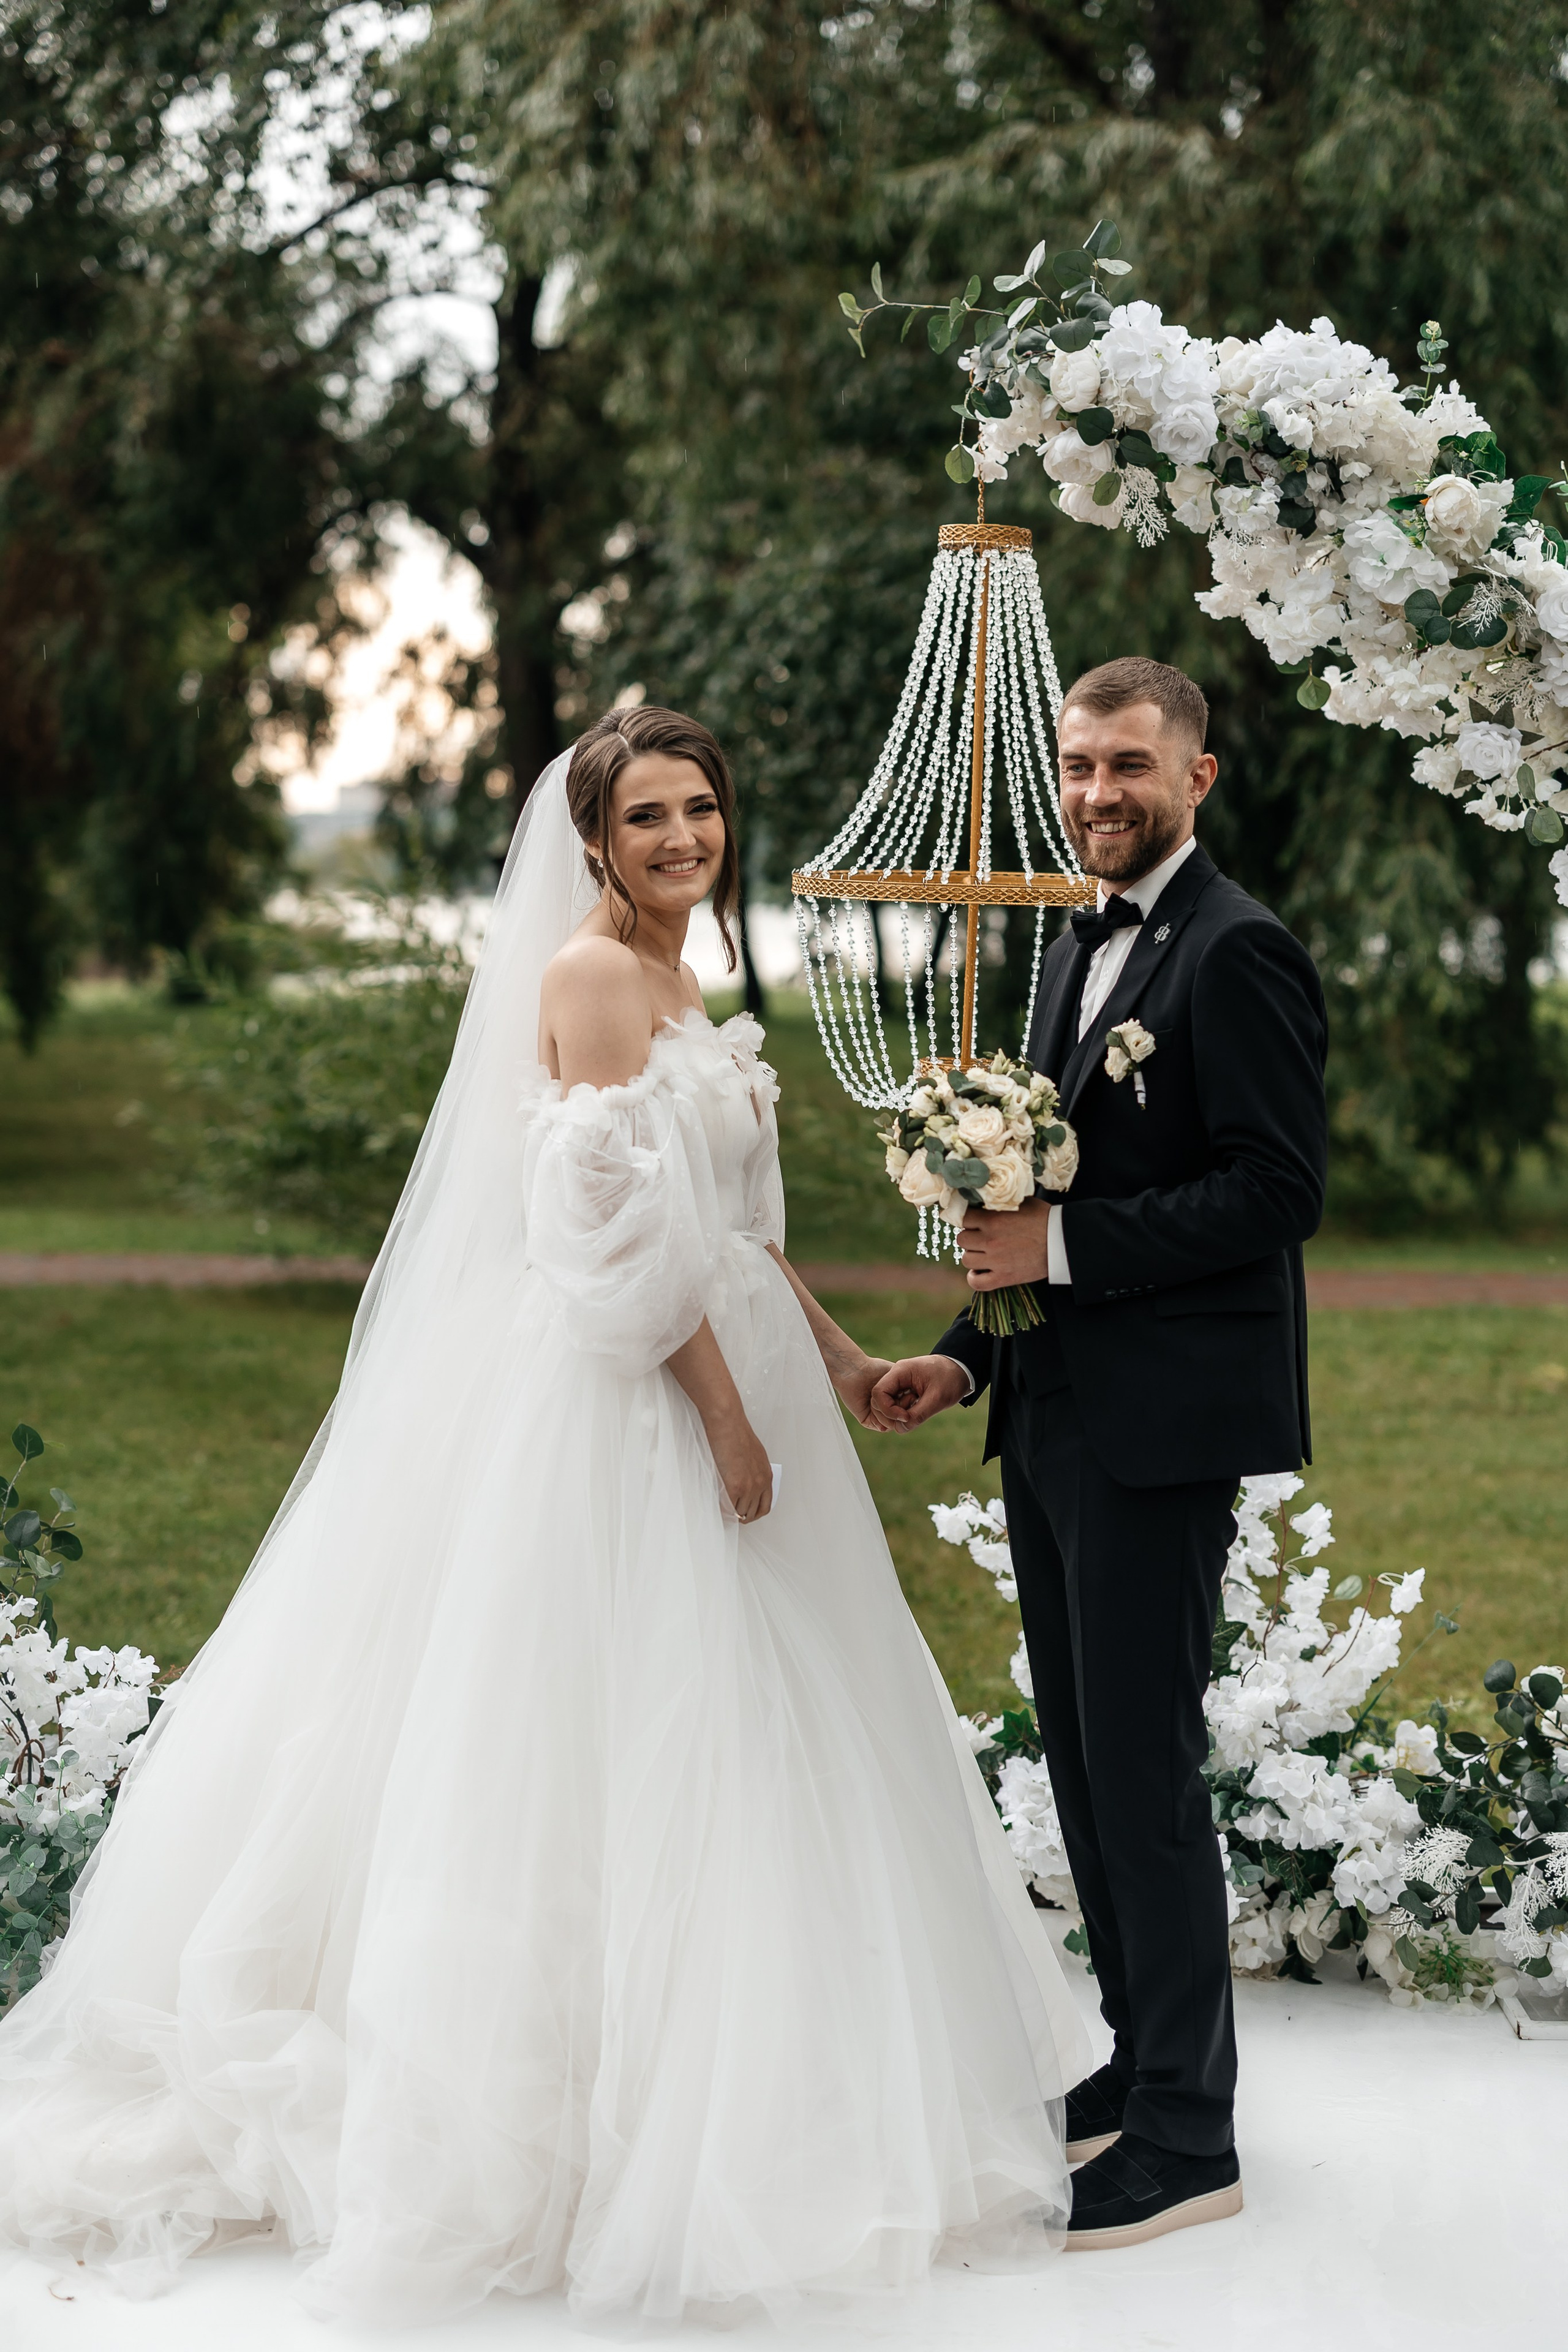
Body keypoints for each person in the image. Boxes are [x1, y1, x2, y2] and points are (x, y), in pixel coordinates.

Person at [0, 704, 1090, 2331]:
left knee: (767, 1728)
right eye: (647, 818)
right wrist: (728, 1419)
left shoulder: (679, 974)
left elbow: (724, 1229)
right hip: (625, 1407)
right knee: (621, 1734)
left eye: (701, 811)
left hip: (730, 1365)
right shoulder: (588, 978)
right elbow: (614, 1254)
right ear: (591, 841)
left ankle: (766, 2082)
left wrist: (849, 1359)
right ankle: (582, 2134)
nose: (680, 840)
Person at [872, 657, 1328, 2252]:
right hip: (1055, 1413)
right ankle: (1142, 2064)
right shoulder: (1077, 934)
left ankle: (1193, 2136)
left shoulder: (1238, 952)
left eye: (1128, 766)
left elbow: (1276, 1193)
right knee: (1083, 1761)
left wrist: (1060, 1255)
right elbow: (1025, 1202)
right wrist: (960, 1337)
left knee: (1139, 1774)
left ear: (1196, 778)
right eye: (1076, 766)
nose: (1096, 793)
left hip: (1162, 1433)